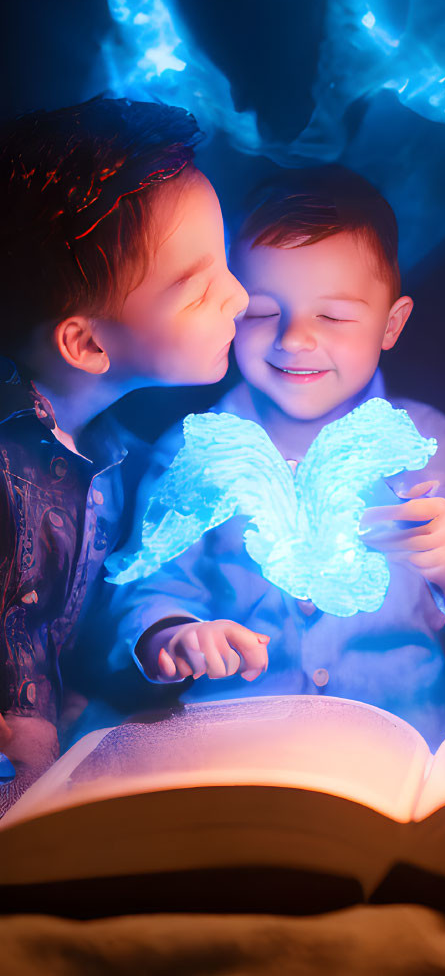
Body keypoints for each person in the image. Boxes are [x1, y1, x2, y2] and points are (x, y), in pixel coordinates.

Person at [101, 166, 445, 746]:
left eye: (334, 316)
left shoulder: (423, 444)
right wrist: (175, 635)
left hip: (404, 737)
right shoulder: (197, 450)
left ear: (390, 324)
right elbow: (150, 586)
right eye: (264, 312)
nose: (294, 339)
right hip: (240, 746)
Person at [0, 98, 247, 805]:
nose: (238, 297)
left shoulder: (120, 456)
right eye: (198, 290)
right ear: (86, 342)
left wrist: (162, 643)